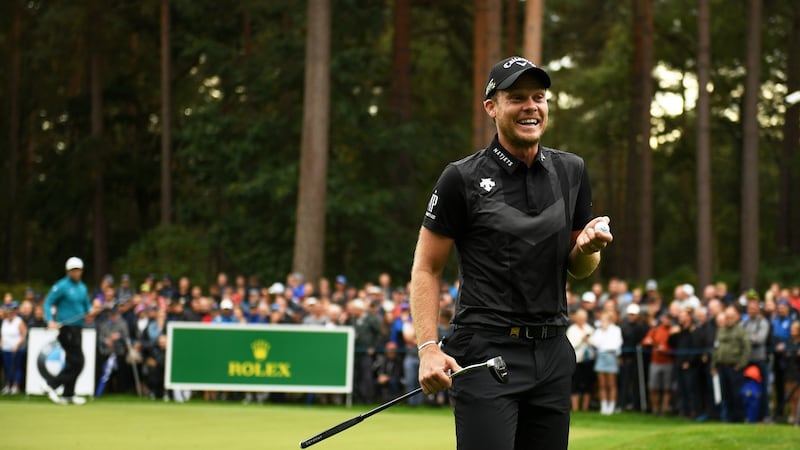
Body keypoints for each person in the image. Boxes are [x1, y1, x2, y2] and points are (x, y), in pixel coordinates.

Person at [410, 56, 611, 450]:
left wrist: (588, 249)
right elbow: (426, 268)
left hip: (552, 351)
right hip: (486, 353)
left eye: (539, 97)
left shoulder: (572, 170)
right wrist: (428, 348)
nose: (531, 106)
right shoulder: (461, 178)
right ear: (492, 107)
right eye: (517, 97)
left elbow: (579, 268)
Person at [41, 257, 94, 405]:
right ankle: (51, 384)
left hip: (78, 327)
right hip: (65, 328)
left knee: (73, 361)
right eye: (73, 270)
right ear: (68, 271)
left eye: (78, 270)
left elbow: (86, 307)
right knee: (78, 361)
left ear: (81, 271)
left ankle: (68, 394)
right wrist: (50, 319)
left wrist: (90, 313)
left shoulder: (83, 287)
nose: (76, 272)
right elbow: (48, 303)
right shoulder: (61, 286)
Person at [711, 305, 751, 422]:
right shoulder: (721, 330)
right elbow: (716, 348)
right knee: (725, 394)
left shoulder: (741, 331)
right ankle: (727, 417)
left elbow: (747, 349)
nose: (728, 320)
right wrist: (713, 365)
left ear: (735, 318)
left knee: (736, 394)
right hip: (722, 366)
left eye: (730, 317)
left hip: (734, 367)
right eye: (726, 317)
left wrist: (741, 364)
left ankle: (739, 417)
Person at [590, 310, 622, 415]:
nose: (603, 322)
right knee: (602, 384)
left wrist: (604, 340)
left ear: (610, 320)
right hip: (601, 357)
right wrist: (603, 332)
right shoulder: (599, 331)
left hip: (611, 356)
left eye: (604, 320)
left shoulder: (616, 330)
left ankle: (611, 406)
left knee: (611, 384)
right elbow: (595, 343)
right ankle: (604, 407)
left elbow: (615, 345)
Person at [1, 302, 27, 395]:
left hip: (17, 349)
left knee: (16, 367)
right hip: (5, 349)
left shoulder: (18, 321)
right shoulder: (4, 322)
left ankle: (16, 386)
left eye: (11, 312)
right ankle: (8, 385)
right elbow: (2, 335)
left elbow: (23, 335)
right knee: (7, 368)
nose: (9, 314)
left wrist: (18, 345)